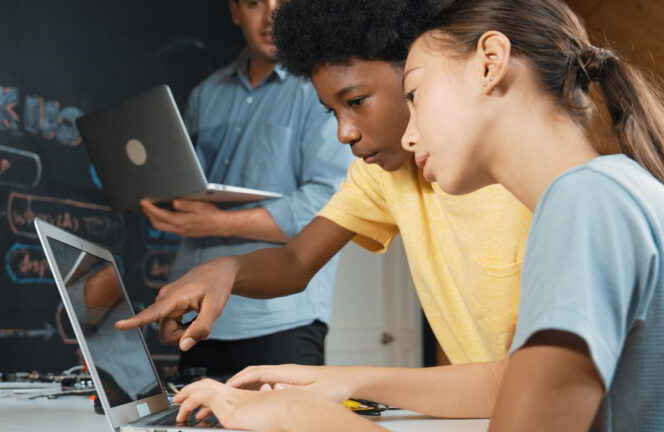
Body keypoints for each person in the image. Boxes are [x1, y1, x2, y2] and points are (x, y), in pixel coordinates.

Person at [167, 0, 664, 430]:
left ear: (490, 62)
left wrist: (299, 418)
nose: (408, 134)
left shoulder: (584, 206)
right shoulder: (608, 192)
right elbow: (507, 378)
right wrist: (341, 382)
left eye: (414, 94)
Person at [120, 0, 531, 383]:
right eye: (332, 111)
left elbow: (522, 382)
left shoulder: (524, 184)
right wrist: (226, 269)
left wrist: (337, 384)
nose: (343, 132)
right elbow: (296, 261)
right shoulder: (379, 177)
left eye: (356, 101)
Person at [138, 0, 353, 377]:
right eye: (255, 3)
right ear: (235, 11)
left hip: (282, 318)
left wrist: (217, 223)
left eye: (283, 3)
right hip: (201, 311)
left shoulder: (319, 90)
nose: (271, 15)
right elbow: (191, 186)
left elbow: (328, 204)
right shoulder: (206, 93)